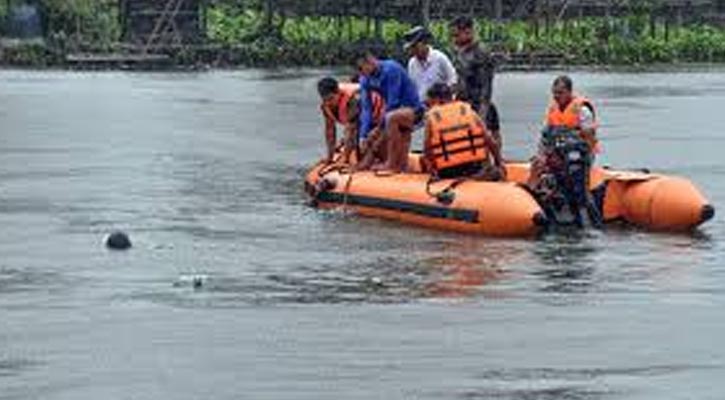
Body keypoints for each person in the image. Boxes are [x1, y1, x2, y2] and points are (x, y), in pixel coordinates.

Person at [356, 51, 425, 172]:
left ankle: (391, 164)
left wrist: (378, 129)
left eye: (362, 68)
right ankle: (399, 165)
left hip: (413, 111)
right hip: (395, 113)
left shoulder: (391, 69)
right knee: (402, 163)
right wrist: (363, 135)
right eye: (358, 70)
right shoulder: (364, 78)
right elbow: (366, 108)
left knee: (390, 118)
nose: (362, 73)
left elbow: (393, 102)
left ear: (371, 60)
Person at [423, 83, 504, 180]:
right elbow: (490, 141)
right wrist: (499, 163)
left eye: (430, 102)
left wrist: (432, 172)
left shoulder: (432, 118)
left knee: (421, 161)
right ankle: (481, 177)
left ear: (437, 99)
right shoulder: (467, 111)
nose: (429, 105)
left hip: (447, 173)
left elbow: (427, 151)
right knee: (496, 172)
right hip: (474, 169)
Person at [529, 75, 599, 187]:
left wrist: (585, 158)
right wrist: (541, 155)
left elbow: (589, 139)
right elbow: (545, 136)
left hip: (578, 154)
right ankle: (530, 193)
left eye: (560, 93)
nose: (556, 96)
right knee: (537, 163)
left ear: (569, 92)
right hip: (558, 152)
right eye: (554, 93)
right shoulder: (553, 109)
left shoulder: (582, 110)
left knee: (573, 167)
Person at [449, 16, 501, 152]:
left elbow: (486, 86)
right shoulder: (459, 51)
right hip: (463, 101)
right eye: (452, 36)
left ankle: (496, 163)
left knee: (486, 136)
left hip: (479, 102)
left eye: (456, 35)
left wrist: (482, 111)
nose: (454, 39)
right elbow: (461, 78)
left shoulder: (481, 53)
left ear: (468, 32)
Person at [317, 77, 384, 164]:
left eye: (331, 99)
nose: (329, 103)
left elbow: (351, 129)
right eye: (325, 100)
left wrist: (345, 158)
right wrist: (330, 157)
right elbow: (330, 131)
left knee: (368, 150)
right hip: (362, 123)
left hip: (380, 117)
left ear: (338, 92)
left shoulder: (351, 100)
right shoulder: (325, 106)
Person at [404, 26, 458, 102]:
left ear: (424, 43)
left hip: (441, 106)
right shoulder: (412, 64)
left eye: (415, 46)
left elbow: (453, 82)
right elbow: (412, 88)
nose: (413, 50)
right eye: (411, 48)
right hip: (422, 107)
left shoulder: (439, 58)